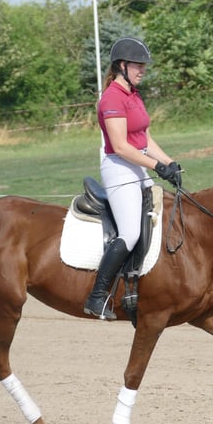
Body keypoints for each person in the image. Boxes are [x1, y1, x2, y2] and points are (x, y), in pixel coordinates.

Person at [83, 36, 183, 320]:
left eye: (144, 66)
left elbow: (145, 138)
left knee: (160, 218)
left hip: (137, 165)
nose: (143, 70)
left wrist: (169, 162)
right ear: (122, 66)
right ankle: (97, 296)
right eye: (139, 66)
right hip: (119, 167)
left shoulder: (133, 95)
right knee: (131, 233)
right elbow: (121, 146)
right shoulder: (111, 98)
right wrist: (156, 166)